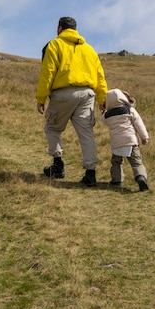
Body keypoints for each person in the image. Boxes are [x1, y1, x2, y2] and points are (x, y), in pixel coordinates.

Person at [36, 16, 108, 186]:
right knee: (86, 134)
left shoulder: (55, 45)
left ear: (59, 28)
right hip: (87, 95)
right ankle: (90, 174)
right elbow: (100, 77)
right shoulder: (90, 50)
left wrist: (41, 98)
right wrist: (102, 100)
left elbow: (48, 73)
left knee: (52, 128)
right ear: (75, 29)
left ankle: (58, 166)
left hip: (63, 93)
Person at [102, 88, 150, 191]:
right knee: (136, 162)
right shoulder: (129, 109)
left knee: (116, 162)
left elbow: (104, 120)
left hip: (116, 142)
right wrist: (144, 137)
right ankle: (140, 177)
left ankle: (116, 180)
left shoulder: (107, 115)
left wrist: (103, 111)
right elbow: (139, 123)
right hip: (130, 140)